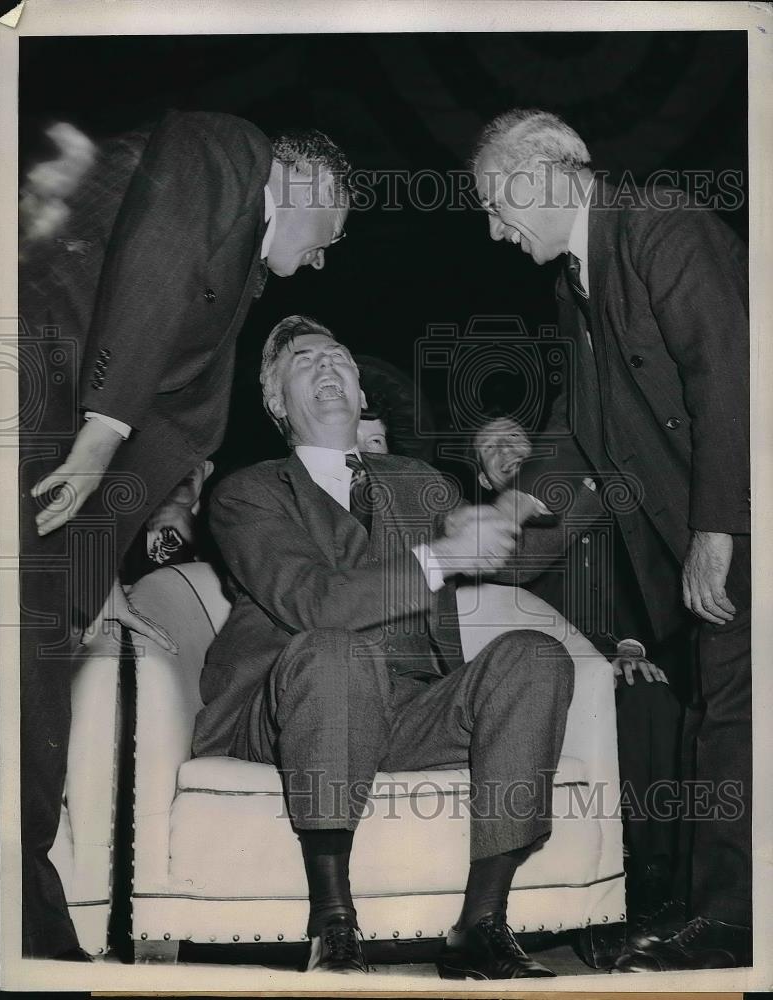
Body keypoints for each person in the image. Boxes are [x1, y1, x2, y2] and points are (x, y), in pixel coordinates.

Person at [19, 113, 350, 959]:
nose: (321, 262)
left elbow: (177, 402)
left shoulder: (244, 262)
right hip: (46, 415)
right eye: (328, 236)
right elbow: (155, 264)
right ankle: (28, 917)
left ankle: (28, 909)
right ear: (307, 182)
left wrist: (93, 584)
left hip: (72, 467)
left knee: (36, 658)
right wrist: (100, 431)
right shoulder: (228, 149)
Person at [192, 315, 575, 979]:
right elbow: (312, 601)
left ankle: (480, 926)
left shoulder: (417, 480)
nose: (327, 368)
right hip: (291, 710)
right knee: (339, 648)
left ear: (362, 392)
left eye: (338, 358)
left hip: (409, 709)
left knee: (535, 656)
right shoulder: (247, 493)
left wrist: (522, 498)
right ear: (278, 403)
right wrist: (441, 554)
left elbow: (509, 559)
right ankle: (333, 926)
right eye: (304, 362)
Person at [472, 109, 750, 971]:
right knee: (727, 713)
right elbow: (588, 439)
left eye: (493, 203)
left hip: (744, 524)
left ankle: (727, 927)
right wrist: (504, 518)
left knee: (737, 713)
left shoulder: (660, 227)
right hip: (710, 533)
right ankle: (719, 916)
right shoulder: (573, 286)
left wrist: (717, 529)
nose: (493, 229)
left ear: (538, 175)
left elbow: (733, 377)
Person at [472, 414, 682, 965]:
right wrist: (594, 661)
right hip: (541, 669)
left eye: (518, 439)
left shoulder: (598, 511)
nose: (509, 450)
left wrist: (631, 650)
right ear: (483, 477)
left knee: (651, 699)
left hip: (616, 659)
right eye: (492, 448)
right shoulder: (489, 533)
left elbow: (639, 590)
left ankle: (651, 888)